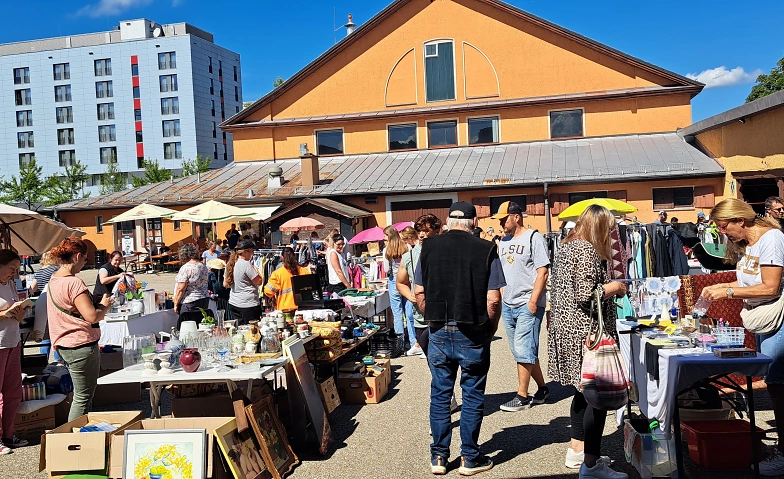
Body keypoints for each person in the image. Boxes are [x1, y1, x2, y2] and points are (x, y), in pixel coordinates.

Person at [414, 201, 505, 476]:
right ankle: (469, 458)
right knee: (473, 394)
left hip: (439, 327)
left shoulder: (429, 247)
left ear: (447, 222)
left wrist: (431, 316)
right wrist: (490, 329)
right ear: (473, 223)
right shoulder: (486, 248)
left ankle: (439, 457)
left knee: (441, 395)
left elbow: (419, 292)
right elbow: (493, 299)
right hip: (473, 328)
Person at [700, 198, 784, 475]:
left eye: (724, 226)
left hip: (778, 319)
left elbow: (770, 287)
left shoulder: (771, 239)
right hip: (765, 320)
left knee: (779, 386)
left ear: (740, 220)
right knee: (775, 385)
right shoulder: (747, 245)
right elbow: (750, 281)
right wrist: (723, 284)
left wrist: (729, 292)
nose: (723, 232)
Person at [548, 205, 628, 478]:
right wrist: (614, 287)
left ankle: (578, 452)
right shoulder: (585, 249)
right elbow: (586, 294)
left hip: (568, 328)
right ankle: (592, 465)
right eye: (608, 229)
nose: (610, 234)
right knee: (597, 397)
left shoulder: (567, 245)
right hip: (585, 332)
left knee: (583, 393)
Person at [492, 201, 550, 412]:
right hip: (509, 303)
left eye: (503, 219)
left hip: (528, 302)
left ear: (516, 217)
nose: (501, 224)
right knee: (520, 350)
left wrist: (533, 301)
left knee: (524, 348)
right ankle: (543, 389)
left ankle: (522, 396)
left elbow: (542, 272)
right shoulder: (503, 241)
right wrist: (501, 295)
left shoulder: (534, 238)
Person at [48, 238, 114, 421]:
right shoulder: (74, 282)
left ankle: (80, 435)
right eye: (85, 260)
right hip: (80, 344)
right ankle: (76, 440)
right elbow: (92, 316)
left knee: (80, 395)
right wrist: (105, 305)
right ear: (77, 256)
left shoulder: (54, 279)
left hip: (64, 344)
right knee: (83, 397)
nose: (85, 264)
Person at [397, 215, 441, 358]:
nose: (422, 235)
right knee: (431, 360)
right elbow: (400, 283)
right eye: (419, 231)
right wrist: (410, 295)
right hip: (420, 318)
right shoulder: (408, 257)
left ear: (436, 231)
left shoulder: (444, 253)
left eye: (426, 231)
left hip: (442, 316)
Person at [0, 250, 30, 453]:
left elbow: (15, 315)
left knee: (13, 393)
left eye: (16, 269)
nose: (14, 273)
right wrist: (4, 313)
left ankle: (9, 434)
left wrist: (19, 313)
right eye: (11, 268)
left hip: (13, 341)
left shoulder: (9, 284)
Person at [383, 225, 415, 349]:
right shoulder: (406, 247)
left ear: (389, 236)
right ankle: (413, 342)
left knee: (397, 312)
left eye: (385, 236)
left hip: (394, 281)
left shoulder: (386, 250)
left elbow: (386, 269)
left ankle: (400, 344)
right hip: (406, 280)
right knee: (409, 311)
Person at [224, 239, 263, 325]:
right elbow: (259, 281)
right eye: (251, 251)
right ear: (246, 252)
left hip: (234, 302)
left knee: (240, 331)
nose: (252, 254)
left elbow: (225, 284)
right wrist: (257, 270)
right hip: (248, 304)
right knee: (253, 332)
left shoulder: (230, 264)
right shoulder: (246, 264)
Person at [173, 243, 211, 317]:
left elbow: (181, 288)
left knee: (187, 325)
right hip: (204, 298)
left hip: (190, 300)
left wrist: (176, 303)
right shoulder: (203, 266)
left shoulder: (186, 268)